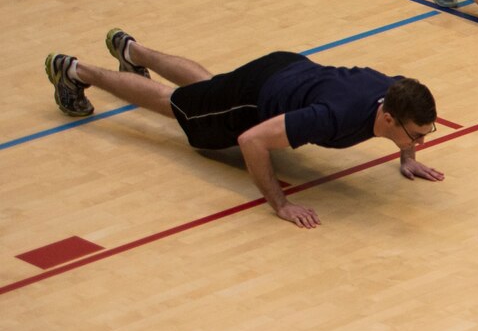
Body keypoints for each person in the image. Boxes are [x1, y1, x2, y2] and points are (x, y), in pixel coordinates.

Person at [43, 30, 440, 229]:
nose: (420, 141)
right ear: (388, 119)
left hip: (286, 68)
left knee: (209, 88)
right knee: (176, 106)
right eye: (417, 136)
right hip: (257, 97)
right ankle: (76, 71)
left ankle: (131, 50)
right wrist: (281, 204)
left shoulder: (396, 93)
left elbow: (406, 113)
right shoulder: (331, 116)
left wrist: (406, 157)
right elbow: (251, 141)